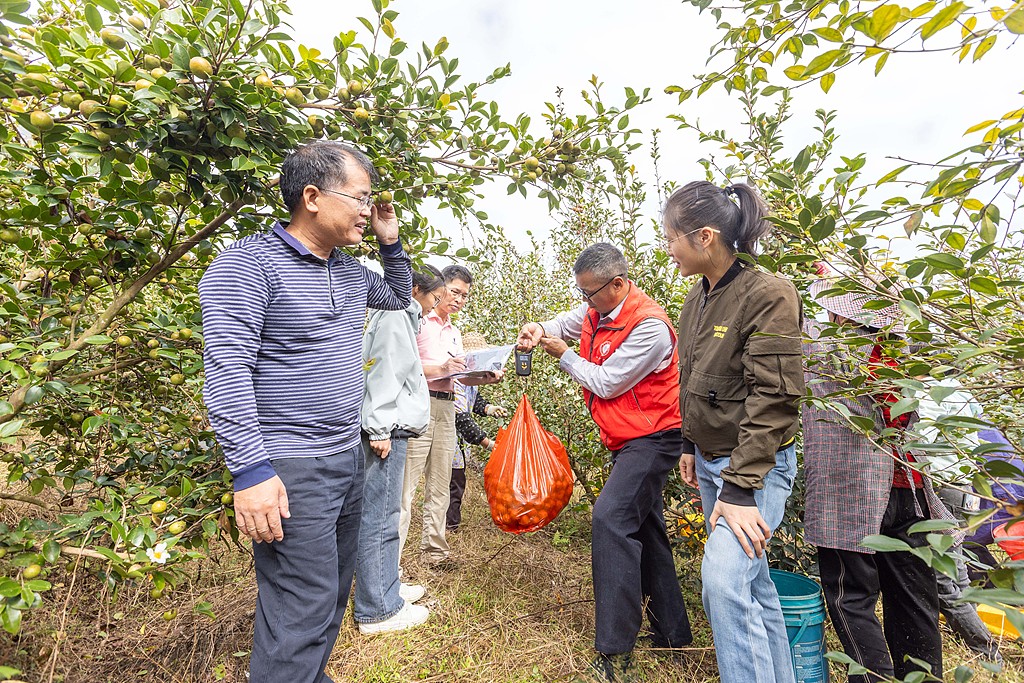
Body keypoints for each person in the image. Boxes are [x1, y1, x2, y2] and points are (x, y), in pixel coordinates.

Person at [199, 141, 411, 682]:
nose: (369, 209)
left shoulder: (349, 271)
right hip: (290, 464)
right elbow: (227, 374)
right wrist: (250, 471)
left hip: (345, 456)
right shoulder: (247, 267)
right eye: (360, 198)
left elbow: (396, 296)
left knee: (332, 592)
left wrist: (391, 243)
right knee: (302, 602)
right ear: (312, 197)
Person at [517, 242, 692, 682]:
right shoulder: (598, 311)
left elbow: (608, 383)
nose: (584, 303)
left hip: (654, 438)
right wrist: (537, 329)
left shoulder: (649, 327)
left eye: (589, 293)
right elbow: (563, 321)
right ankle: (673, 634)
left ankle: (615, 652)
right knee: (647, 530)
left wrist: (564, 355)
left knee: (610, 519)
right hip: (627, 439)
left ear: (618, 284)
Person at [664, 181, 803, 683]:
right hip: (709, 462)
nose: (667, 248)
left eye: (671, 237)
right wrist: (687, 443)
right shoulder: (696, 297)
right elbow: (692, 374)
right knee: (752, 586)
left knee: (722, 583)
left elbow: (776, 398)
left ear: (704, 237)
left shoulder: (768, 294)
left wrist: (740, 488)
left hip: (751, 472)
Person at [803, 277, 946, 683]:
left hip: (853, 493)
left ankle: (874, 679)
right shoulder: (905, 351)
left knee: (851, 599)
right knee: (915, 602)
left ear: (839, 311)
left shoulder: (823, 344)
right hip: (910, 488)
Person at [354, 265, 448, 634]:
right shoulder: (395, 316)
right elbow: (382, 372)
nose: (433, 306)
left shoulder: (400, 317)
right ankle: (378, 608)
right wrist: (378, 426)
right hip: (386, 430)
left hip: (390, 427)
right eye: (433, 298)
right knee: (380, 517)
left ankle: (386, 588)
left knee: (386, 513)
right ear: (414, 290)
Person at [399, 265, 502, 567]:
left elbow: (461, 377)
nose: (459, 300)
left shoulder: (455, 331)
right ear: (440, 288)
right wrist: (441, 369)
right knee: (406, 487)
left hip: (447, 407)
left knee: (441, 484)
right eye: (455, 292)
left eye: (464, 296)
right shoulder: (417, 321)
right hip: (419, 403)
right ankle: (391, 562)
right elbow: (402, 364)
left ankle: (435, 553)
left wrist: (484, 378)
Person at [447, 332, 508, 532]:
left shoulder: (471, 379)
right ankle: (449, 527)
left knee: (457, 481)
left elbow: (475, 400)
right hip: (449, 441)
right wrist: (487, 443)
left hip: (458, 445)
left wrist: (489, 409)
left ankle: (450, 525)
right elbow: (461, 418)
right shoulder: (457, 380)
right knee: (453, 484)